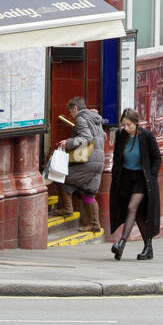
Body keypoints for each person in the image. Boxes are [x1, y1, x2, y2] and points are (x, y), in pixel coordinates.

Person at [108, 108, 161, 260]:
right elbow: (118, 157)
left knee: (132, 207)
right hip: (125, 178)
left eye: (129, 125)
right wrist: (115, 175)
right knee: (137, 214)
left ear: (137, 123)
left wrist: (152, 175)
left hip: (142, 178)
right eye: (124, 125)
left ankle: (121, 243)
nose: (126, 128)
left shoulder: (147, 136)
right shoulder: (121, 135)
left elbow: (157, 157)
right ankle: (148, 248)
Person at [49, 97, 105, 232]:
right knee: (88, 191)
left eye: (70, 112)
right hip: (98, 161)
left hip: (88, 161)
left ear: (75, 109)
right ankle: (94, 224)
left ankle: (67, 209)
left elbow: (86, 138)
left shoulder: (81, 118)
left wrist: (68, 143)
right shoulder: (95, 119)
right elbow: (103, 136)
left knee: (58, 175)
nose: (70, 116)